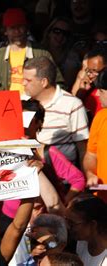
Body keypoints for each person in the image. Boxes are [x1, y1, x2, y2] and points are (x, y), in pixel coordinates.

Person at [22, 56, 89, 166]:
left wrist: (85, 177)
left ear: (44, 82)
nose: (23, 83)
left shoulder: (72, 105)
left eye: (28, 80)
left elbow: (83, 148)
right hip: (30, 175)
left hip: (62, 178)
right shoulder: (22, 102)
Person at [0, 8, 64, 94]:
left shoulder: (41, 53)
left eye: (20, 26)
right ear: (5, 31)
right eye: (12, 28)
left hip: (35, 104)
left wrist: (41, 97)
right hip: (8, 105)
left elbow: (59, 83)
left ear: (26, 28)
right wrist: (8, 97)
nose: (17, 31)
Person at [83, 69, 107, 201]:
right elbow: (91, 154)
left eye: (102, 91)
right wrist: (90, 173)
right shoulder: (101, 117)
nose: (97, 94)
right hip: (102, 202)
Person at [64, 194, 107, 266]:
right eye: (66, 220)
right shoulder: (81, 243)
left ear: (93, 224)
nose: (67, 226)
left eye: (72, 223)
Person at [71, 44, 106, 119]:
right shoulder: (88, 87)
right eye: (88, 70)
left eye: (94, 71)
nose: (90, 75)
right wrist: (81, 92)